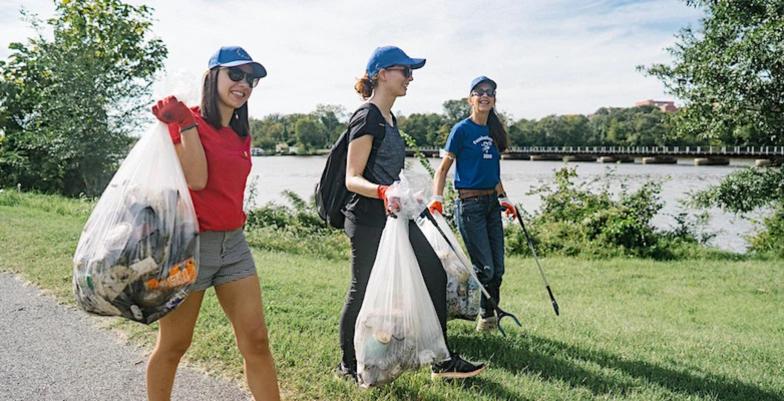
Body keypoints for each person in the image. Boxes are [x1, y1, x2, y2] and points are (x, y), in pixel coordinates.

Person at [337, 45, 486, 381]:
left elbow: (389, 170)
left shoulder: (391, 118)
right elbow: (351, 178)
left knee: (434, 270)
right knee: (361, 289)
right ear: (382, 74)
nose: (411, 77)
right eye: (405, 71)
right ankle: (347, 365)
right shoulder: (367, 117)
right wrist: (383, 191)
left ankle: (441, 359)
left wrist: (406, 191)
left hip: (396, 215)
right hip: (367, 217)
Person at [147, 46, 281, 401]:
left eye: (250, 79)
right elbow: (196, 179)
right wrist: (186, 124)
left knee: (256, 340)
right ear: (213, 77)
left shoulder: (240, 133)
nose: (244, 84)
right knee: (175, 344)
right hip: (190, 248)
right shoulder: (185, 119)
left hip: (233, 246)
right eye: (235, 74)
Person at [428, 76, 515, 332]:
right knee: (485, 268)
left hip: (491, 204)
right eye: (479, 92)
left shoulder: (494, 131)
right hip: (469, 206)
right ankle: (473, 311)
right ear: (471, 99)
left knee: (498, 268)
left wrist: (504, 198)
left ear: (494, 99)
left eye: (490, 92)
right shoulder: (462, 130)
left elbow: (493, 173)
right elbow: (442, 170)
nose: (485, 95)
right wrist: (437, 198)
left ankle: (489, 318)